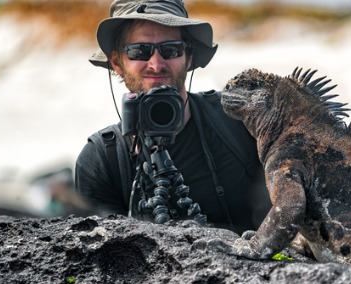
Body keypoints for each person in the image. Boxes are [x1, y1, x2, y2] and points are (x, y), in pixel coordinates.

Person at [75, 0, 271, 234]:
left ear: (189, 57)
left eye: (171, 50)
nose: (156, 65)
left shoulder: (240, 120)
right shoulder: (101, 160)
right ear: (117, 62)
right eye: (139, 51)